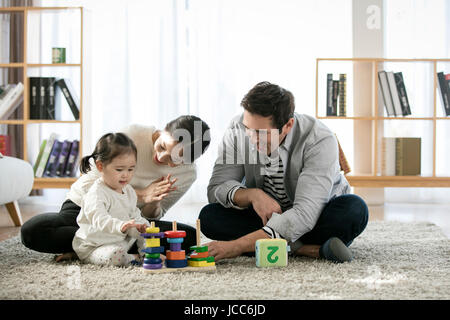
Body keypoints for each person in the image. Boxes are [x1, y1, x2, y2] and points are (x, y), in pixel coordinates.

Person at [199, 82, 368, 263]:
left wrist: (236, 246)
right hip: (265, 217)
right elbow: (216, 190)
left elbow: (305, 214)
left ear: (288, 125)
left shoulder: (319, 138)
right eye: (248, 129)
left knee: (354, 209)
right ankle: (307, 250)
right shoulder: (237, 129)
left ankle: (274, 245)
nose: (252, 139)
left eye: (261, 133)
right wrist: (252, 195)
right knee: (210, 216)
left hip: (316, 215)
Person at [21, 115, 210, 261]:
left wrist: (155, 201)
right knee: (33, 230)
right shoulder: (133, 135)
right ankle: (94, 247)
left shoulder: (187, 174)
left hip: (130, 221)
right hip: (85, 208)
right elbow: (91, 183)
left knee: (190, 239)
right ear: (163, 130)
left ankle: (93, 248)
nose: (161, 158)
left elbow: (152, 217)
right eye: (162, 146)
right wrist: (143, 194)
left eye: (174, 160)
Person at [72, 132, 150, 266]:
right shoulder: (96, 193)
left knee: (148, 230)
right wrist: (120, 225)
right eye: (119, 169)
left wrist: (142, 226)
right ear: (100, 166)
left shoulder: (129, 191)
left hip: (119, 242)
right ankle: (134, 258)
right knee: (116, 256)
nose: (126, 175)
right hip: (94, 246)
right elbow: (99, 220)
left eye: (131, 169)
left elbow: (135, 214)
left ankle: (147, 254)